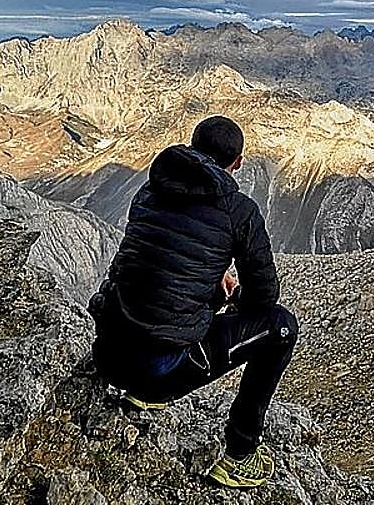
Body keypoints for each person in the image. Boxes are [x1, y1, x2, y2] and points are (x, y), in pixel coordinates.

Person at [87, 115, 298, 489]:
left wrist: (211, 280)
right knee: (281, 326)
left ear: (192, 148)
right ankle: (241, 455)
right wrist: (231, 300)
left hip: (108, 354)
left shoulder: (149, 191)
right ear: (237, 163)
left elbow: (146, 262)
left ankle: (143, 389)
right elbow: (265, 296)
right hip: (155, 371)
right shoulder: (239, 211)